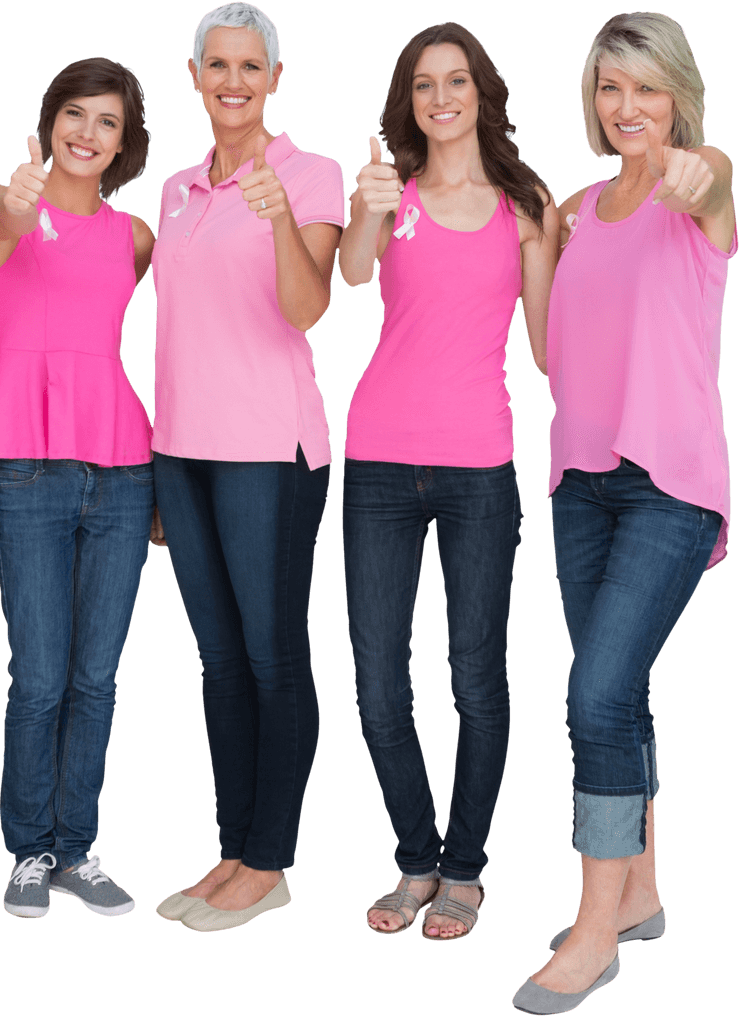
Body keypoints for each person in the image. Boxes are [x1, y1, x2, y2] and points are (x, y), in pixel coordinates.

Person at [511, 12, 733, 1013]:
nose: (627, 105)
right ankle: (640, 893)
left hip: (670, 484)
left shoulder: (702, 186)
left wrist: (698, 174)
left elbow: (711, 183)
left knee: (594, 695)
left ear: (678, 94)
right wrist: (537, 241)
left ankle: (594, 930)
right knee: (621, 693)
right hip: (580, 482)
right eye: (610, 87)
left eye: (646, 87)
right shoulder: (581, 211)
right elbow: (550, 355)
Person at [339, 22, 558, 941]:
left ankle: (464, 870)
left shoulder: (528, 205)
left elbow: (546, 347)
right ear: (410, 100)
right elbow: (354, 273)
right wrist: (366, 206)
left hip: (480, 472)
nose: (441, 97)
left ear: (481, 93)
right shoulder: (390, 190)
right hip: (378, 464)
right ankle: (414, 859)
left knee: (476, 680)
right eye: (424, 84)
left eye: (456, 80)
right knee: (377, 688)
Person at [150, 3, 343, 932]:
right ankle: (232, 850)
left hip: (269, 451)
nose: (234, 81)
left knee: (273, 658)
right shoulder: (176, 187)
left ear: (275, 78)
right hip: (180, 451)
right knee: (219, 662)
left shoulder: (312, 174)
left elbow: (307, 309)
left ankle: (271, 863)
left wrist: (277, 218)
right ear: (195, 77)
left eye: (250, 66)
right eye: (217, 65)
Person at [0, 56, 156, 920]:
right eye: (75, 114)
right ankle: (29, 850)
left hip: (122, 469)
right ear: (49, 122)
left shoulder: (137, 235)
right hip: (25, 468)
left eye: (107, 121)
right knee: (39, 678)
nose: (88, 132)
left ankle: (78, 849)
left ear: (124, 143)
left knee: (97, 679)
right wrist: (19, 199)